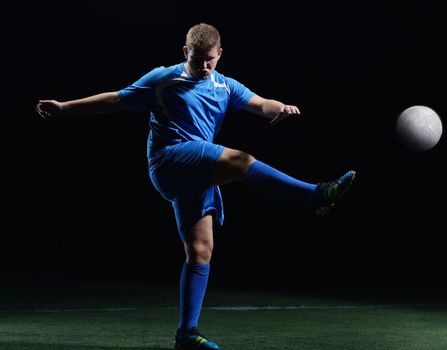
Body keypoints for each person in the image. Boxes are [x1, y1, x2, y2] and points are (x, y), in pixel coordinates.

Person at [36, 23, 356, 350]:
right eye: (197, 59)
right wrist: (65, 108)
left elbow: (260, 103)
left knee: (200, 251)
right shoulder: (163, 78)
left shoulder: (225, 85)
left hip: (199, 168)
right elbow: (116, 99)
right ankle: (316, 194)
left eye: (210, 60)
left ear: (220, 54)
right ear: (185, 52)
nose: (204, 66)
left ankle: (186, 334)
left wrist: (281, 108)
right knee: (241, 161)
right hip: (170, 160)